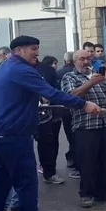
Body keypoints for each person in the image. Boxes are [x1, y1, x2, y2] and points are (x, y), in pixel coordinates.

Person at [0, 35, 100, 211]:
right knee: (26, 182)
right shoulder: (21, 69)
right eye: (33, 49)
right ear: (19, 50)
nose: (37, 53)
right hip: (14, 135)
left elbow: (24, 94)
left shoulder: (6, 66)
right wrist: (84, 105)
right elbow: (52, 93)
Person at [61, 49, 106, 209]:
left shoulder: (99, 74)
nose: (86, 62)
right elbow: (71, 96)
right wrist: (90, 83)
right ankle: (86, 194)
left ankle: (103, 192)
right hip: (85, 126)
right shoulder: (70, 77)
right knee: (87, 162)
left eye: (89, 58)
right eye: (82, 59)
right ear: (74, 62)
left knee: (104, 161)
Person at [34, 56, 65, 185]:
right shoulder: (15, 68)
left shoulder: (47, 69)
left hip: (47, 113)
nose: (35, 52)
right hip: (24, 114)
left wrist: (49, 97)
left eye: (36, 49)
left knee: (49, 143)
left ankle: (49, 172)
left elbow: (57, 88)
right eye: (32, 49)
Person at [56, 52, 77, 168]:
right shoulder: (73, 74)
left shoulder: (58, 72)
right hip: (78, 108)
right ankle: (74, 157)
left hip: (65, 108)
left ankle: (72, 157)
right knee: (77, 135)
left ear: (64, 61)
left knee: (70, 133)